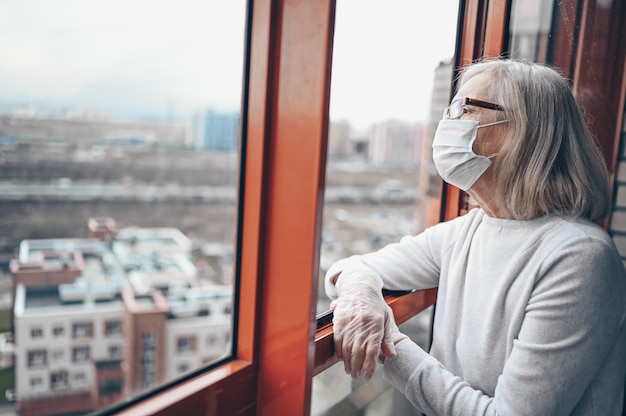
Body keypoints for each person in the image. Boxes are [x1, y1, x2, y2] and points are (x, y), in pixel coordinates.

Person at [325, 59, 626, 415]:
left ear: (521, 130)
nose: (446, 121)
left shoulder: (579, 259)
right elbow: (354, 266)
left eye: (460, 107)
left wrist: (389, 343)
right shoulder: (470, 228)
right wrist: (361, 299)